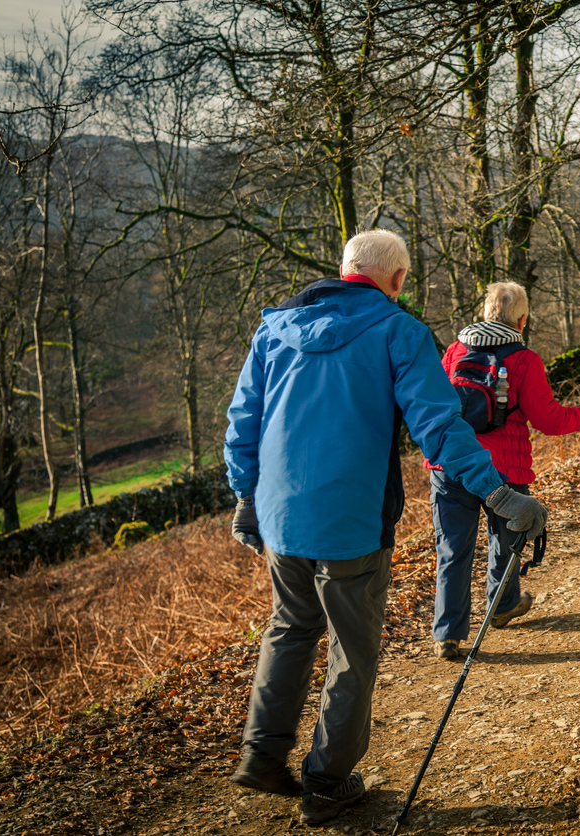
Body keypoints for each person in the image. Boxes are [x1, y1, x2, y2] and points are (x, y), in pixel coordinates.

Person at [222, 230, 548, 827]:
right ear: (396, 280)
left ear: (344, 269)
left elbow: (243, 418)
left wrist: (245, 495)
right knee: (353, 646)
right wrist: (498, 493)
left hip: (279, 516)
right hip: (351, 520)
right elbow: (442, 428)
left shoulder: (274, 329)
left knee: (290, 628)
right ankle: (327, 782)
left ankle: (262, 754)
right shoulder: (399, 332)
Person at [428, 282, 580, 660]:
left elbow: (436, 406)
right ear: (522, 319)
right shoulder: (524, 359)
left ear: (487, 312)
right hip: (503, 466)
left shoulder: (455, 350)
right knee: (504, 541)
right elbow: (549, 420)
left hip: (450, 462)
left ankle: (448, 634)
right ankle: (502, 606)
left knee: (452, 549)